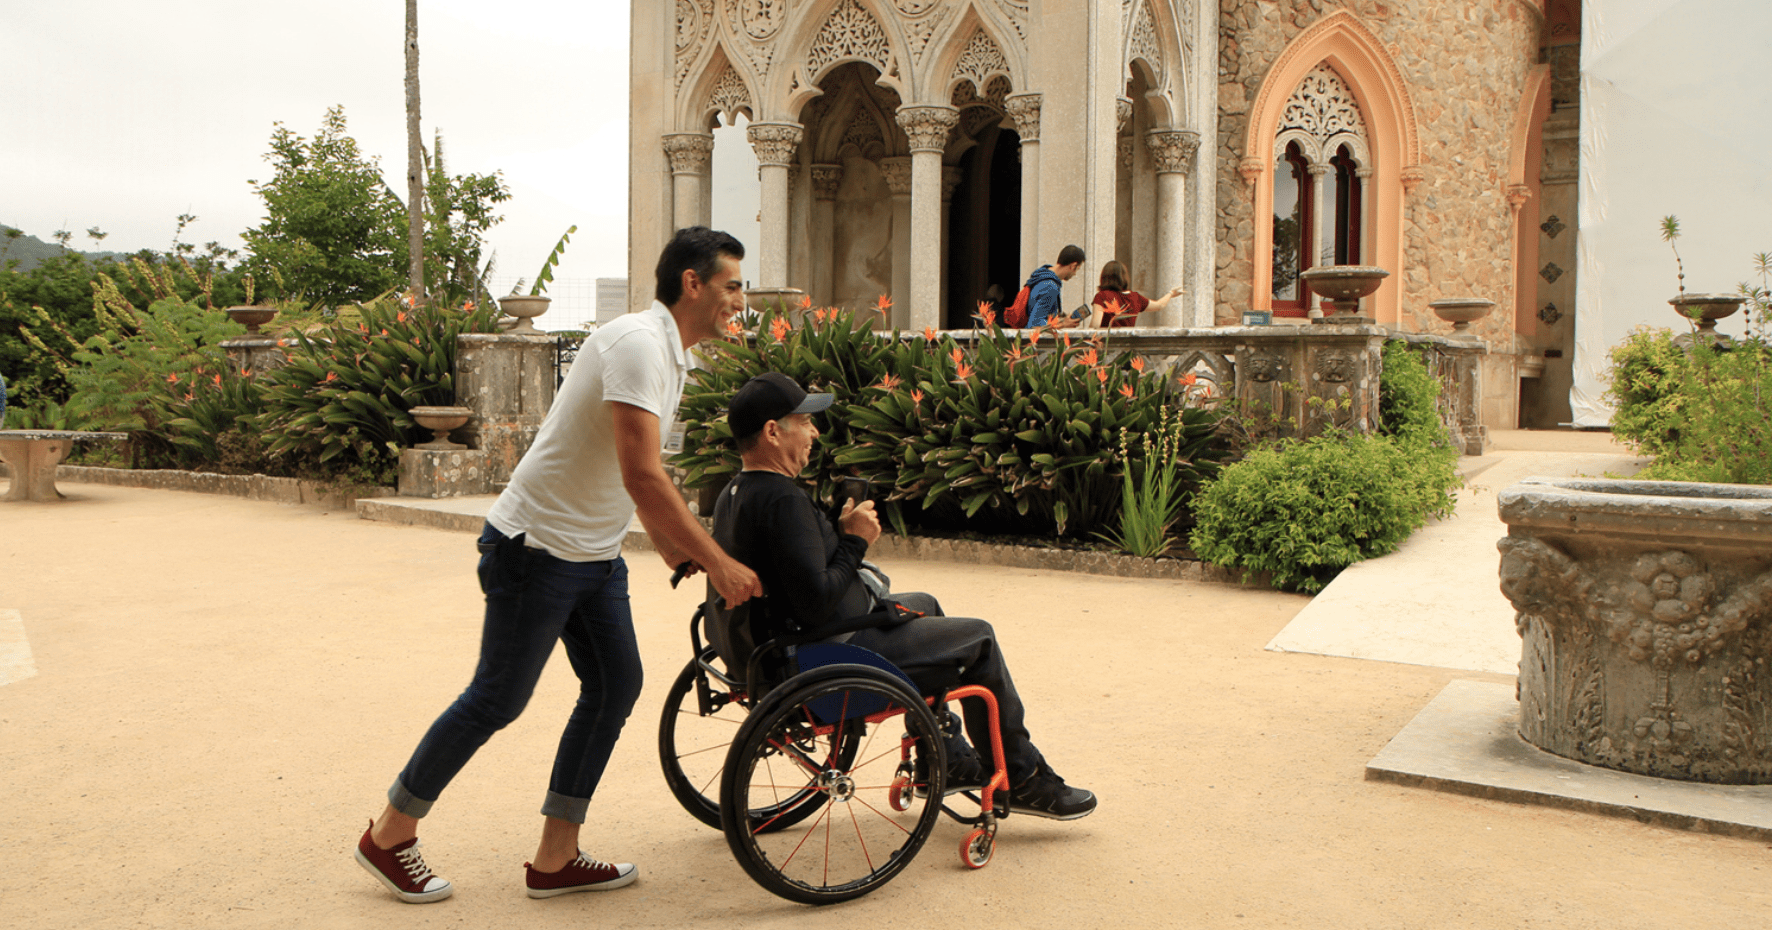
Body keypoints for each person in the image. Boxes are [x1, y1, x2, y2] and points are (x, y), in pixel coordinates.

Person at [355, 227, 764, 904]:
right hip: (537, 548)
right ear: (693, 284)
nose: (740, 301)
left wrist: (669, 543)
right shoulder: (638, 344)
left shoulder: (673, 356)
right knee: (497, 698)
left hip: (592, 553)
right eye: (733, 286)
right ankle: (389, 834)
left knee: (615, 684)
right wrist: (715, 559)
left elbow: (623, 468)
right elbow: (642, 473)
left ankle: (556, 856)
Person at [708, 372, 1098, 820]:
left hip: (771, 646)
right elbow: (816, 602)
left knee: (925, 604)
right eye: (805, 422)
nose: (815, 433)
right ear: (772, 432)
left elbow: (794, 569)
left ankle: (945, 755)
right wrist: (855, 541)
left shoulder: (735, 493)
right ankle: (1023, 777)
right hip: (823, 652)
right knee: (979, 638)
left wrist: (835, 532)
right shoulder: (784, 500)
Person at [1089, 260, 1183, 328]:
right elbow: (1159, 305)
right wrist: (1171, 293)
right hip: (1128, 345)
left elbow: (1095, 325)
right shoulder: (1135, 297)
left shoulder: (1102, 296)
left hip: (1107, 345)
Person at [1022, 244, 1085, 329]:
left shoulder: (1042, 277)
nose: (1075, 274)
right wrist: (1063, 324)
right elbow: (1036, 324)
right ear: (1073, 266)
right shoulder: (1050, 287)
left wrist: (1062, 320)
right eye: (1077, 269)